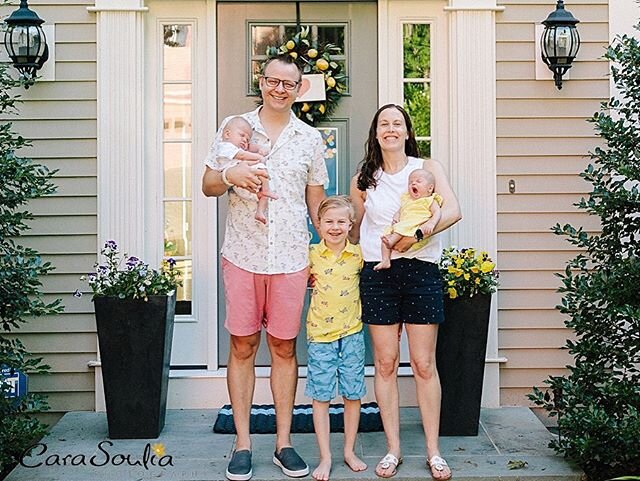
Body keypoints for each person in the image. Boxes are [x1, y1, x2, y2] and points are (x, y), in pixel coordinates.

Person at [202, 55, 328, 481]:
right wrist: (232, 173)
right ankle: (241, 444)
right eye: (273, 81)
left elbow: (315, 204)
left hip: (292, 256)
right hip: (243, 252)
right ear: (261, 81)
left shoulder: (310, 139)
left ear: (299, 89)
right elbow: (207, 185)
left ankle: (284, 442)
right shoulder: (234, 127)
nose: (279, 89)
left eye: (288, 84)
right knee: (241, 347)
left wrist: (330, 250)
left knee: (285, 349)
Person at [349, 104, 462, 481]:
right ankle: (393, 449)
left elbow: (453, 210)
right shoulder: (365, 179)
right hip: (377, 273)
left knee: (423, 364)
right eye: (384, 123)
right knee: (384, 363)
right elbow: (354, 230)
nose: (391, 129)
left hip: (421, 272)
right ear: (376, 133)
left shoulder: (427, 169)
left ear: (407, 131)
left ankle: (433, 451)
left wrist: (417, 235)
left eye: (397, 123)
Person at [305, 196, 368, 481]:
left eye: (341, 221)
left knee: (353, 394)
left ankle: (349, 450)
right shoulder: (310, 256)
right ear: (318, 224)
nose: (335, 227)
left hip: (352, 334)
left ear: (350, 224)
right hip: (320, 336)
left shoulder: (358, 256)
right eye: (329, 221)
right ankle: (325, 456)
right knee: (321, 396)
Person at [375, 168, 442, 271]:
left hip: (416, 228)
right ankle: (385, 260)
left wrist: (431, 223)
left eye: (418, 181)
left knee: (401, 228)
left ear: (430, 188)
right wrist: (395, 219)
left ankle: (391, 241)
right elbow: (400, 210)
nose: (413, 184)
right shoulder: (407, 200)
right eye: (410, 182)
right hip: (404, 227)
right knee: (386, 234)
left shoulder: (429, 200)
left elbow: (437, 212)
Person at [216, 115, 278, 224]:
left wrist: (260, 149)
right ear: (227, 134)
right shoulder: (225, 147)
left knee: (264, 194)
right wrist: (259, 157)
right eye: (241, 135)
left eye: (247, 138)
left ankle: (260, 211)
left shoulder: (239, 145)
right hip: (240, 184)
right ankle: (265, 190)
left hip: (252, 186)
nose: (244, 140)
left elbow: (250, 147)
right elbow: (242, 155)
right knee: (261, 168)